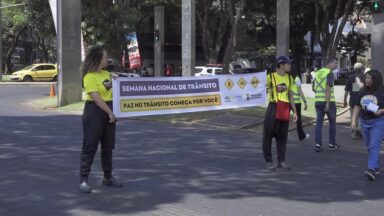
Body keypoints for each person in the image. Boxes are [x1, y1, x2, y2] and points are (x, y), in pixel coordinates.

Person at [79, 47, 123, 193]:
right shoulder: (89, 76)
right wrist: (110, 113)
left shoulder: (107, 74)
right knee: (90, 146)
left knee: (108, 146)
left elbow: (117, 85)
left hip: (109, 111)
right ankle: (83, 180)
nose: (107, 59)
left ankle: (108, 177)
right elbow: (96, 98)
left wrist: (116, 79)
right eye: (105, 57)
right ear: (98, 59)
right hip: (94, 112)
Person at [262, 56, 298, 171]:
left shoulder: (290, 78)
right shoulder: (270, 77)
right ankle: (269, 161)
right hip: (273, 107)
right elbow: (260, 89)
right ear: (281, 65)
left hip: (285, 108)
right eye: (288, 64)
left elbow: (291, 96)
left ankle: (281, 161)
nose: (290, 66)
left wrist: (295, 112)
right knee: (268, 136)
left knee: (282, 137)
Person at [352, 70, 384, 181]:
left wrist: (381, 111)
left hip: (378, 121)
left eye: (368, 78)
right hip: (364, 121)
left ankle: (371, 169)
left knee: (374, 144)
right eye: (365, 78)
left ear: (375, 79)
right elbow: (357, 107)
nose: (366, 80)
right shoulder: (362, 91)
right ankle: (376, 166)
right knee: (368, 145)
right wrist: (353, 121)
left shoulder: (382, 91)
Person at [313, 59, 340, 152]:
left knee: (319, 123)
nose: (336, 65)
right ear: (329, 63)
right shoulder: (329, 73)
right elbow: (328, 88)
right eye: (335, 63)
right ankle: (332, 144)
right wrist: (328, 103)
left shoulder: (317, 73)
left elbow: (313, 88)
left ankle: (318, 144)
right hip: (329, 102)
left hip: (318, 101)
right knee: (332, 123)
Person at [344, 62, 365, 139]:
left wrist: (344, 100)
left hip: (353, 100)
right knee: (361, 116)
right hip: (363, 100)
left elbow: (347, 90)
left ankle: (354, 132)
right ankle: (359, 128)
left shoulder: (350, 77)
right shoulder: (365, 77)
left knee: (353, 116)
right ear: (361, 69)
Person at [290, 69, 310, 141]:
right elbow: (300, 91)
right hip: (296, 102)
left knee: (284, 119)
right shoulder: (297, 79)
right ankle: (301, 136)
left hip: (287, 101)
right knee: (298, 120)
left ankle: (279, 136)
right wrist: (305, 101)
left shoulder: (286, 77)